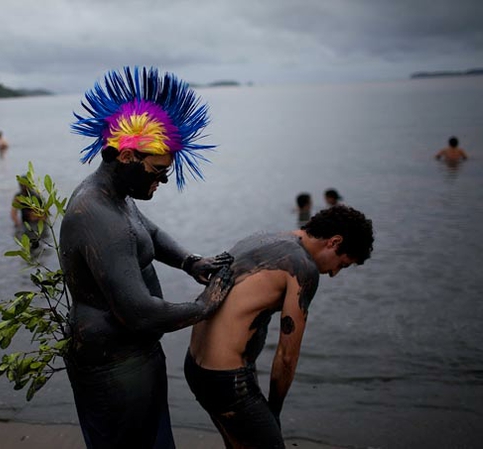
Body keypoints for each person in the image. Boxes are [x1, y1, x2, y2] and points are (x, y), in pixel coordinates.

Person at [60, 67, 234, 449]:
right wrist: (205, 306)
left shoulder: (116, 199)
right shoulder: (95, 214)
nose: (164, 180)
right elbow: (136, 312)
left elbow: (149, 233)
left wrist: (192, 263)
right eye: (157, 170)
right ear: (125, 156)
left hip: (134, 358)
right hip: (113, 367)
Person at [185, 205, 374, 449]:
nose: (334, 273)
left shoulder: (263, 238)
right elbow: (286, 357)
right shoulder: (302, 269)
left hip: (196, 368)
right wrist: (273, 412)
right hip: (227, 381)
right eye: (342, 264)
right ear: (334, 242)